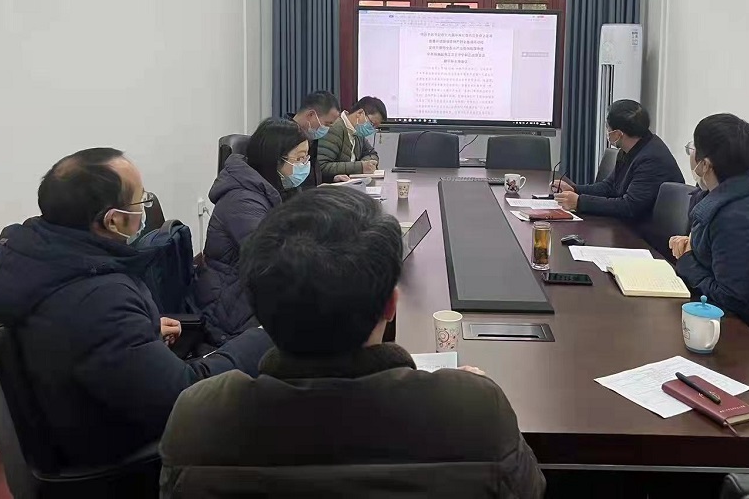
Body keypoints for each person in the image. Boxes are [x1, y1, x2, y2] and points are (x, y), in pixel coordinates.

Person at [160, 188, 545, 498]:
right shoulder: (475, 412)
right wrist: (470, 393)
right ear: (391, 305)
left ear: (259, 307)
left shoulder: (199, 418)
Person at [0, 148, 271, 468]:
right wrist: (264, 335)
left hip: (77, 411)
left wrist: (140, 331)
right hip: (117, 451)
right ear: (113, 220)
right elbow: (184, 395)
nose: (144, 210)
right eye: (141, 201)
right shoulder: (100, 299)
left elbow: (77, 335)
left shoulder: (28, 255)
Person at [669, 114, 749, 346]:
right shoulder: (739, 191)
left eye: (693, 148)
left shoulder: (740, 219)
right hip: (721, 322)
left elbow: (731, 300)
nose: (690, 153)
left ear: (704, 164)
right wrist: (693, 245)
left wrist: (687, 260)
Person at [192, 117, 310, 343]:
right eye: (299, 158)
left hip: (253, 288)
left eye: (307, 158)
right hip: (232, 302)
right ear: (275, 159)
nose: (305, 165)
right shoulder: (242, 200)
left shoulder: (276, 188)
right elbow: (274, 259)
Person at [553, 100, 683, 222]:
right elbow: (609, 186)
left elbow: (630, 207)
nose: (607, 132)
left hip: (646, 232)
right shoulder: (630, 148)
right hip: (629, 224)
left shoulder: (651, 158)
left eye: (608, 128)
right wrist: (575, 189)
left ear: (618, 134)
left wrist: (580, 202)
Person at [317, 96, 386, 180]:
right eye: (372, 124)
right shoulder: (335, 128)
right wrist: (360, 167)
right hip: (333, 185)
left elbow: (372, 154)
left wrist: (367, 164)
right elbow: (322, 166)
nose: (372, 129)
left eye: (375, 127)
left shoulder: (357, 132)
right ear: (360, 113)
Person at [286, 90, 341, 188]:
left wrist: (331, 178)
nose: (327, 129)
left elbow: (309, 174)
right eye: (327, 124)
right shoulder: (281, 137)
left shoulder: (311, 135)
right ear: (311, 115)